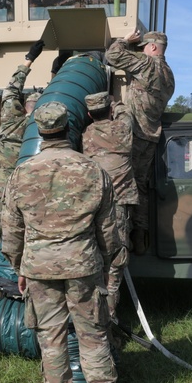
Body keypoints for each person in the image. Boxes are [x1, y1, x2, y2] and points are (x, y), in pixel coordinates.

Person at [1, 101, 124, 383]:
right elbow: (108, 232)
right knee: (93, 335)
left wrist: (20, 269)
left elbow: (11, 233)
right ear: (67, 128)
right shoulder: (93, 171)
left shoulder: (22, 173)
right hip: (83, 266)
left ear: (40, 130)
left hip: (39, 270)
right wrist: (105, 263)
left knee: (51, 338)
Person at [0, 40, 44, 296]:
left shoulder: (11, 123)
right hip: (22, 200)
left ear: (25, 106)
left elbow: (11, 90)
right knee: (22, 252)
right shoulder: (43, 132)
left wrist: (29, 58)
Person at [105, 30, 175, 254]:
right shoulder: (169, 74)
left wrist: (125, 40)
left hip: (133, 134)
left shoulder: (146, 64)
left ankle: (122, 239)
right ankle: (140, 234)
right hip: (151, 134)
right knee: (140, 187)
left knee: (122, 187)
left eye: (143, 46)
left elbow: (112, 56)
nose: (141, 49)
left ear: (153, 48)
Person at [81, 91, 136, 326]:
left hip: (93, 207)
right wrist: (117, 100)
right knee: (116, 261)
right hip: (119, 206)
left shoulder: (85, 136)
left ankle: (92, 316)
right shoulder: (123, 130)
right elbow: (126, 114)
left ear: (88, 114)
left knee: (94, 258)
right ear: (110, 111)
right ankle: (110, 318)